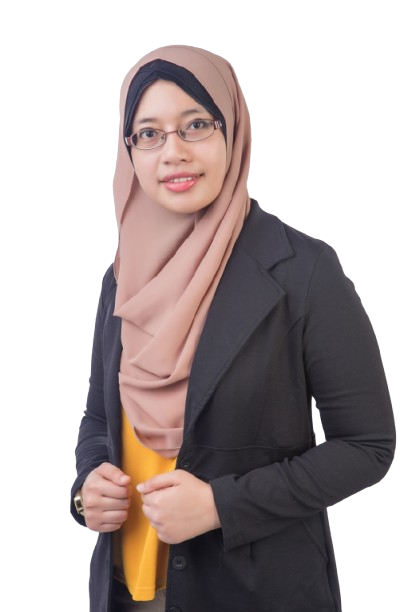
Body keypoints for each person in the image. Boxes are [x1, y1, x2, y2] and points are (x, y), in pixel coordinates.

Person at [70, 44, 395, 612]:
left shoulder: (304, 270)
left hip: (254, 592)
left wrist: (222, 505)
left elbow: (367, 446)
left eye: (196, 124)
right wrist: (87, 486)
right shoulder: (122, 278)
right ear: (129, 151)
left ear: (234, 130)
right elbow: (101, 415)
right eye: (149, 134)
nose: (173, 152)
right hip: (126, 590)